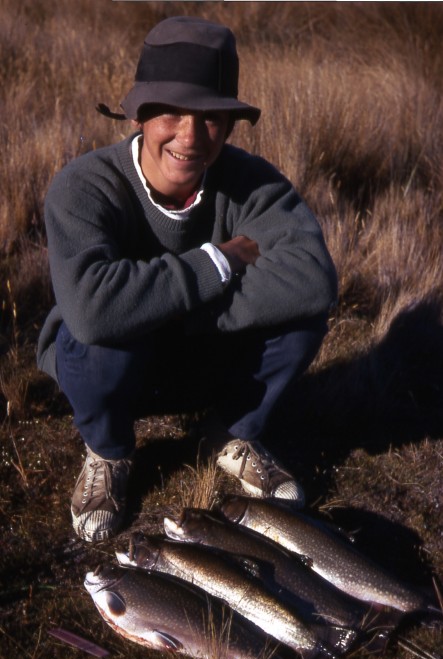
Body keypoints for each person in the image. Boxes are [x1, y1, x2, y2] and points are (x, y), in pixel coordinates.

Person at [37, 15, 338, 543]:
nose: (191, 136)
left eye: (212, 117)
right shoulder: (83, 186)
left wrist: (158, 304)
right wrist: (219, 263)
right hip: (114, 369)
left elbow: (312, 278)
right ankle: (108, 451)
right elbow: (91, 308)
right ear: (141, 114)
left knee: (302, 318)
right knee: (100, 330)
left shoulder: (252, 184)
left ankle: (228, 433)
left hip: (201, 354)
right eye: (172, 112)